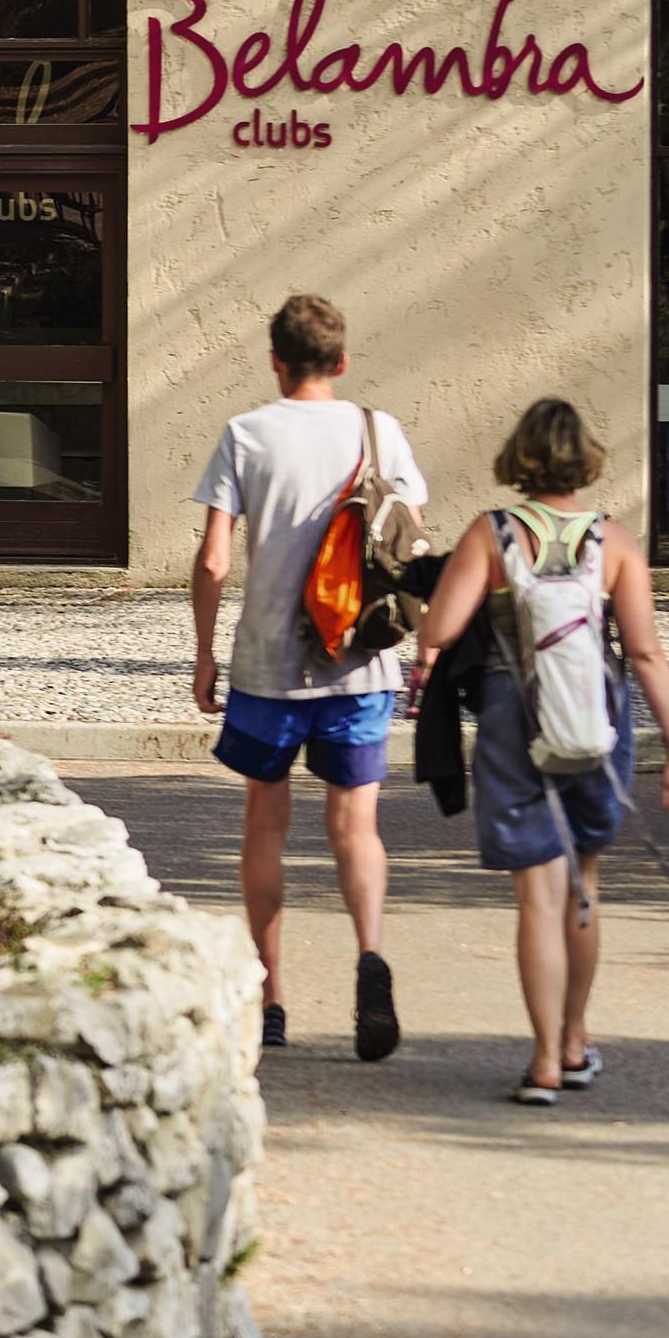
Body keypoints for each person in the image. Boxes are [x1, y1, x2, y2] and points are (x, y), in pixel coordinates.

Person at [409, 398, 669, 1107]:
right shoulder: (617, 542)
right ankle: (575, 1042)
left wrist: (428, 647)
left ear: (521, 457)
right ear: (585, 458)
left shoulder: (492, 533)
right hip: (595, 713)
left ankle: (541, 1062)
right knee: (583, 885)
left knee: (536, 896)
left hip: (515, 714)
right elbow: (646, 652)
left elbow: (442, 625)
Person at [190, 293, 424, 1060]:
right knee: (356, 826)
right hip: (361, 661)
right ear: (343, 361)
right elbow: (408, 545)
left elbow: (216, 559)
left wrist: (204, 652)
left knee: (266, 823)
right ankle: (369, 955)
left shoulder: (246, 434)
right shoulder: (378, 430)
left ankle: (272, 996)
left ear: (275, 361)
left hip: (269, 667)